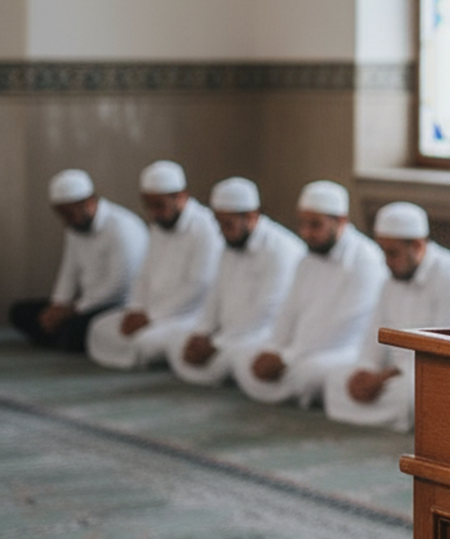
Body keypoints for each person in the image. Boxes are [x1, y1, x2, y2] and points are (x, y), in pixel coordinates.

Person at [324, 202, 450, 431]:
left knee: (415, 394)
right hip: (395, 378)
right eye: (383, 251)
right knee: (335, 380)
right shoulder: (391, 281)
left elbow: (447, 352)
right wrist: (366, 370)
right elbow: (374, 337)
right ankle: (398, 417)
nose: (386, 261)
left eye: (392, 253)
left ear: (417, 246)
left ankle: (402, 416)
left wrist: (383, 378)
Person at [232, 180, 387, 407]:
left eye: (315, 225)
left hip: (341, 350)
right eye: (302, 224)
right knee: (243, 359)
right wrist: (275, 348)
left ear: (341, 221)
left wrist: (287, 358)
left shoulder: (366, 260)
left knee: (310, 374)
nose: (306, 233)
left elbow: (343, 326)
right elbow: (289, 310)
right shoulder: (307, 259)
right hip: (300, 352)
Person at [167, 177, 307, 386]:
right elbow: (215, 295)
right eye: (219, 223)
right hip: (226, 337)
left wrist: (216, 344)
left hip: (261, 335)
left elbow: (267, 312)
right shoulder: (230, 245)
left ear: (251, 217)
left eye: (228, 224)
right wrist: (202, 333)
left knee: (239, 360)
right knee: (175, 344)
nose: (221, 231)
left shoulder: (281, 251)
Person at [87, 160, 222, 369]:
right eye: (148, 205)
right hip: (149, 311)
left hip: (187, 315)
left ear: (181, 197)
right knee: (98, 326)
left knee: (145, 343)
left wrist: (151, 316)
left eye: (159, 206)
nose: (153, 213)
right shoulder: (159, 227)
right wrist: (135, 308)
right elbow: (143, 275)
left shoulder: (206, 229)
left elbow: (199, 286)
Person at [9, 169, 149, 352]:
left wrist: (74, 309)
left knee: (74, 329)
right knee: (19, 312)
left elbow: (120, 285)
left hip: (117, 306)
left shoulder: (122, 227)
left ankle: (64, 338)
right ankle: (62, 337)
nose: (65, 222)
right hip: (83, 305)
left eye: (68, 214)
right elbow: (68, 270)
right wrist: (57, 305)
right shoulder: (75, 227)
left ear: (88, 203)